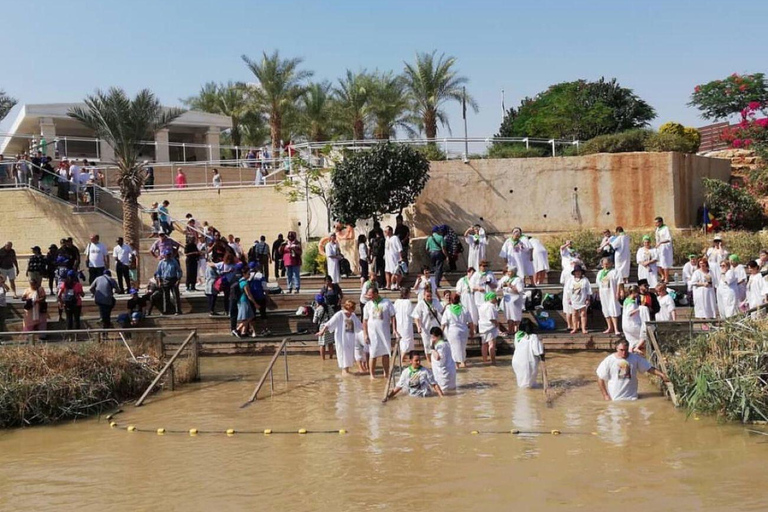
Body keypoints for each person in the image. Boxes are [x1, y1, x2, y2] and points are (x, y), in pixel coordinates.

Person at [596, 339, 670, 401]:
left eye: (625, 350)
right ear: (616, 348)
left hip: (632, 398)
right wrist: (605, 395)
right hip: (615, 399)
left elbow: (649, 368)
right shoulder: (609, 360)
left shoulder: (635, 358)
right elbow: (600, 378)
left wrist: (662, 375)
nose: (624, 353)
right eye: (621, 350)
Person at [317, 299, 362, 376]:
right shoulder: (339, 314)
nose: (352, 311)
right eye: (352, 308)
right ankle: (344, 372)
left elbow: (359, 326)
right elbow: (329, 323)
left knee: (349, 354)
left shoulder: (353, 315)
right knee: (343, 353)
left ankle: (347, 371)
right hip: (341, 339)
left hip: (350, 338)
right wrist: (322, 331)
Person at [363, 287, 397, 379]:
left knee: (385, 353)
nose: (369, 297)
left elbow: (393, 316)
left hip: (384, 333)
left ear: (376, 293)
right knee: (373, 354)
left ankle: (386, 374)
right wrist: (365, 334)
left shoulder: (386, 302)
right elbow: (365, 321)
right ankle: (372, 375)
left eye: (370, 295)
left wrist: (394, 329)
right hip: (372, 334)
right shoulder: (368, 305)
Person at [441, 293, 474, 368]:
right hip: (464, 331)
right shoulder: (464, 309)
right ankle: (464, 363)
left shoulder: (448, 310)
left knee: (453, 349)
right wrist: (472, 331)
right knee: (463, 348)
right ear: (459, 300)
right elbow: (471, 322)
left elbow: (443, 324)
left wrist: (440, 334)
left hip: (453, 332)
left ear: (451, 301)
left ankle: (456, 366)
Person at [512, 319, 545, 388]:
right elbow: (537, 351)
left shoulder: (517, 335)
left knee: (521, 382)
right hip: (528, 362)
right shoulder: (533, 337)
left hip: (516, 361)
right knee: (528, 385)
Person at [412, 288, 444, 354]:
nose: (429, 298)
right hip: (426, 328)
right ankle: (429, 361)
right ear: (424, 295)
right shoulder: (421, 304)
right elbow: (416, 316)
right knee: (427, 345)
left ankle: (436, 359)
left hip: (436, 327)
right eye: (427, 296)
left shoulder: (436, 301)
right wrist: (418, 326)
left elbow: (441, 312)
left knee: (437, 344)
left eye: (430, 296)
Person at [596, 257, 622, 335]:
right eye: (604, 264)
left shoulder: (615, 271)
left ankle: (616, 328)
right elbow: (598, 283)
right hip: (603, 293)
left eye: (607, 264)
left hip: (612, 293)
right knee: (606, 309)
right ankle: (609, 327)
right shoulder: (600, 272)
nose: (605, 265)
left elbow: (619, 282)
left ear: (611, 264)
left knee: (613, 309)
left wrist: (618, 292)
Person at [564, 264, 592, 334]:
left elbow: (588, 290)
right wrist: (568, 299)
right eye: (576, 271)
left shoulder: (585, 280)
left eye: (579, 271)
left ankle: (583, 328)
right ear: (574, 273)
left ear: (581, 272)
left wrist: (588, 299)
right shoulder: (570, 280)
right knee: (574, 314)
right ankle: (575, 328)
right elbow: (567, 290)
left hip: (582, 299)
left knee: (583, 314)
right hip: (574, 299)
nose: (578, 273)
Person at [497, 266, 524, 334]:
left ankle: (516, 329)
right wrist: (502, 285)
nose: (508, 273)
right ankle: (510, 330)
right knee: (508, 315)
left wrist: (511, 286)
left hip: (515, 299)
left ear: (514, 272)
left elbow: (519, 291)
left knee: (515, 315)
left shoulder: (518, 279)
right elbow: (498, 287)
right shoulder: (505, 278)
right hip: (507, 299)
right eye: (508, 271)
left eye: (510, 271)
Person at [155, 250, 183, 315]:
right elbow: (158, 273)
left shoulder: (174, 261)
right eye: (167, 255)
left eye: (169, 255)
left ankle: (178, 310)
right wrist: (159, 281)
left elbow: (179, 271)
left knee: (175, 296)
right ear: (164, 255)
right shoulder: (161, 262)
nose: (168, 256)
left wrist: (178, 280)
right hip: (165, 280)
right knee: (165, 296)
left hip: (173, 279)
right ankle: (166, 311)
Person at [428, 326, 456, 391]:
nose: (432, 339)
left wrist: (432, 348)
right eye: (431, 337)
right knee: (451, 390)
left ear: (439, 336)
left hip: (443, 373)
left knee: (443, 391)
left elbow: (437, 357)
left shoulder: (441, 345)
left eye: (434, 337)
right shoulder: (446, 343)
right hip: (449, 370)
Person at [477, 292, 500, 364]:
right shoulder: (491, 306)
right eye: (495, 298)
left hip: (482, 326)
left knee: (484, 344)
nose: (496, 299)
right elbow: (491, 318)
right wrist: (497, 324)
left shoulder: (481, 306)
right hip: (490, 327)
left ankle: (485, 360)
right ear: (492, 298)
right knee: (491, 344)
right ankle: (493, 361)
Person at [394, 287, 415, 358]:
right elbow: (411, 313)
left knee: (402, 340)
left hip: (399, 324)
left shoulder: (397, 301)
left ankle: (403, 356)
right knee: (407, 340)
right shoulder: (408, 302)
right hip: (406, 323)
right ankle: (402, 357)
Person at [654, 216, 673, 283]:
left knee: (665, 263)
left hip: (665, 249)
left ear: (661, 222)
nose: (656, 224)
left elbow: (669, 239)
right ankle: (662, 276)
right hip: (659, 248)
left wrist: (661, 242)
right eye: (655, 223)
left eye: (657, 223)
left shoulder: (666, 228)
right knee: (657, 263)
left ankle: (666, 279)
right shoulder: (657, 229)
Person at [384, 226, 403, 291]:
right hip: (388, 257)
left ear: (390, 231)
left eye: (386, 231)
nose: (385, 232)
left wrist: (400, 257)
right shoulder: (387, 238)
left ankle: (396, 285)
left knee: (395, 272)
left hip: (394, 257)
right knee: (387, 271)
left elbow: (399, 248)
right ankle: (388, 285)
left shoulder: (395, 238)